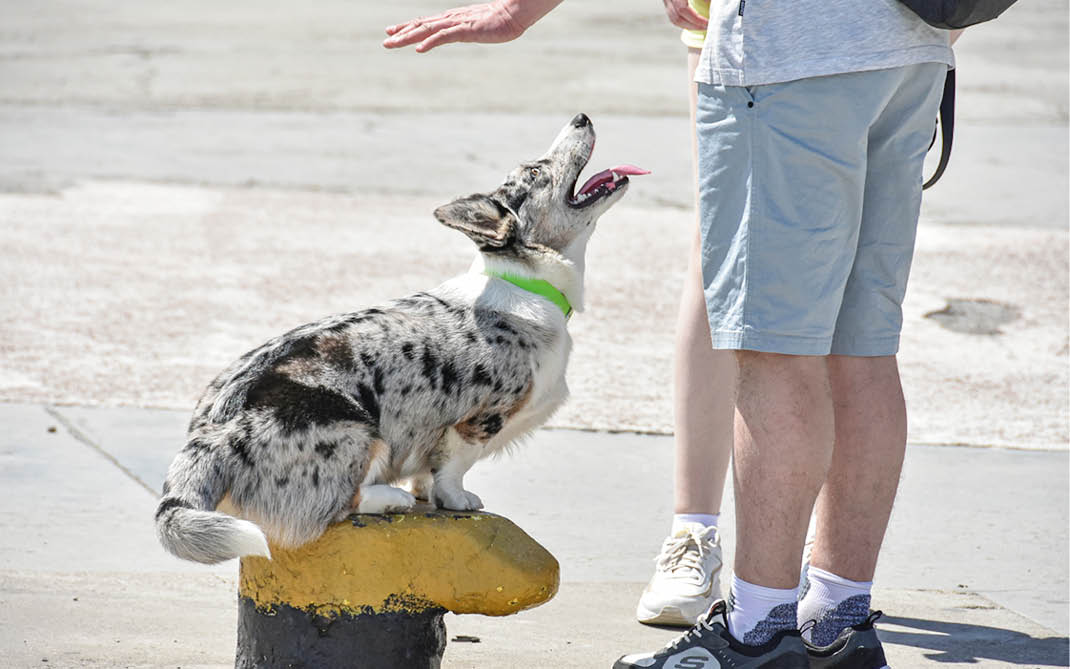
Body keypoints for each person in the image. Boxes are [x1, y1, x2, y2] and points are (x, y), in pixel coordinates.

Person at [386, 2, 955, 666]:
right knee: (862, 347)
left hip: (791, 49)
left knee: (775, 349)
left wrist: (520, 10)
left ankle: (759, 633)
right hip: (912, 44)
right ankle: (839, 621)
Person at [385, 0, 739, 631]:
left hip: (892, 35)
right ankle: (699, 534)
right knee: (722, 258)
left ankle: (828, 569)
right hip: (739, 32)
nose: (570, 142)